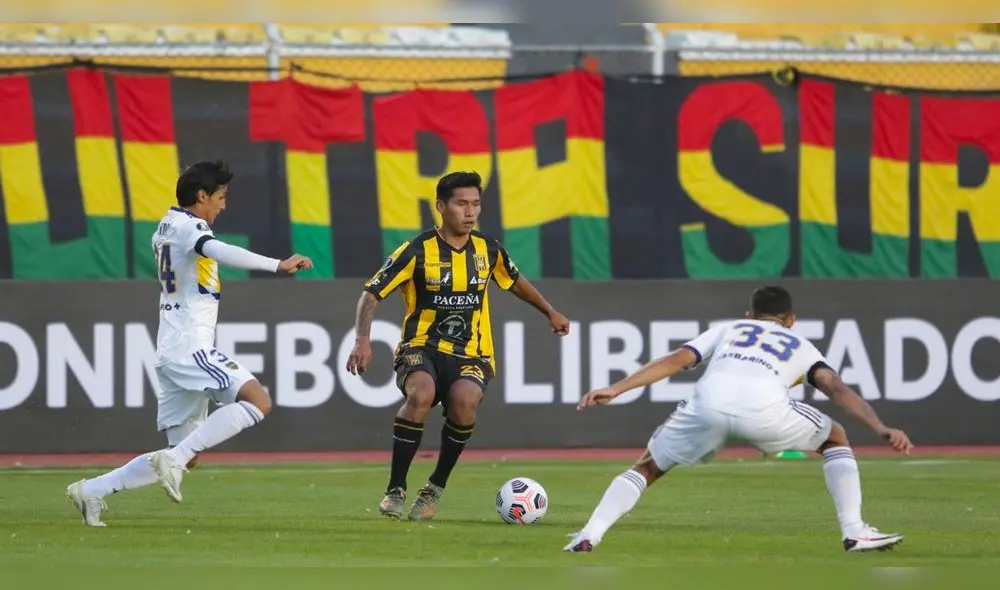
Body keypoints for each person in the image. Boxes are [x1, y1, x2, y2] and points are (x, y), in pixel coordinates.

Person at [564, 286, 914, 554]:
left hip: (709, 405)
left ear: (750, 315)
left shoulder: (730, 329)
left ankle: (589, 535)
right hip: (766, 411)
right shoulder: (800, 344)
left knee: (648, 466)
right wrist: (880, 427)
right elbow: (834, 388)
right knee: (834, 436)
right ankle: (854, 530)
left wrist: (617, 387)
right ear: (791, 320)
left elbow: (675, 360)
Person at [66, 160, 313, 527]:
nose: (223, 206)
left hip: (170, 350)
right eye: (221, 197)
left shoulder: (165, 226)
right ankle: (174, 461)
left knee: (184, 453)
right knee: (258, 401)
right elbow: (218, 250)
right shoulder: (190, 227)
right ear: (201, 196)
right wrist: (277, 265)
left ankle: (92, 491)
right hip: (190, 347)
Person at [346, 171, 570, 521]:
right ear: (441, 206)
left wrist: (550, 311)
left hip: (471, 352)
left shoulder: (487, 249)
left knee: (464, 403)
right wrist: (362, 338)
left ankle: (433, 489)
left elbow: (515, 281)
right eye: (461, 203)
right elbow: (371, 293)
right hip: (421, 346)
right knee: (420, 395)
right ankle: (396, 488)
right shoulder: (417, 250)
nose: (470, 212)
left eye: (476, 204)